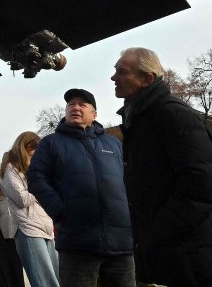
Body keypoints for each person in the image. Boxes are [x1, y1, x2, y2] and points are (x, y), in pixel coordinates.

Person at [113, 47, 212, 287]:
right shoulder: (139, 121)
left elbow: (206, 186)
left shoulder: (172, 115)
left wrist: (159, 229)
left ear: (147, 78)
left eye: (121, 71)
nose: (113, 77)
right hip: (177, 259)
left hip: (197, 262)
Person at [27, 89, 132, 287]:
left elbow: (130, 180)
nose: (75, 107)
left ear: (94, 114)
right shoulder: (51, 143)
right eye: (71, 104)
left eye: (82, 105)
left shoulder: (113, 143)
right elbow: (35, 177)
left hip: (121, 242)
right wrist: (61, 211)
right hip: (77, 242)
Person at [0, 132, 58, 287]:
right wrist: (41, 187)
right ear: (23, 148)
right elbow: (22, 199)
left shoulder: (36, 168)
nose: (34, 155)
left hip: (47, 226)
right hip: (28, 228)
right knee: (44, 280)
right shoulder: (9, 169)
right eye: (32, 151)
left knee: (57, 278)